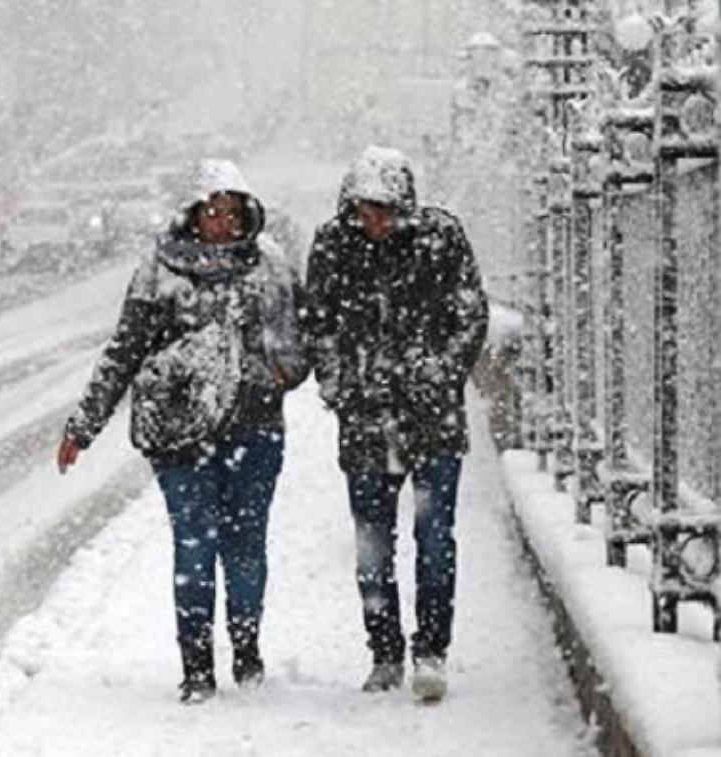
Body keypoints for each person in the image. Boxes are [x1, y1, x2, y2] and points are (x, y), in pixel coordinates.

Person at [57, 159, 310, 704]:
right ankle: (196, 665)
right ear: (192, 215)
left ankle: (246, 649)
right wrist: (85, 424)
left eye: (231, 213)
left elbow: (300, 345)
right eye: (211, 212)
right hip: (182, 436)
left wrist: (276, 371)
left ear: (247, 216)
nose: (221, 222)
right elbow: (124, 350)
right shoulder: (160, 271)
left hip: (255, 431)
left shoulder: (271, 269)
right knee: (194, 546)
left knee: (245, 547)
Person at [303, 146, 489, 702]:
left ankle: (431, 650)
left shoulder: (441, 238)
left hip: (433, 420)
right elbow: (319, 322)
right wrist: (338, 383)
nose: (375, 222)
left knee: (434, 539)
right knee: (372, 544)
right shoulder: (334, 247)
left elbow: (470, 313)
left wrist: (442, 372)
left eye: (383, 210)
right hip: (366, 421)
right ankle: (384, 651)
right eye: (364, 211)